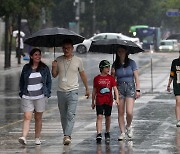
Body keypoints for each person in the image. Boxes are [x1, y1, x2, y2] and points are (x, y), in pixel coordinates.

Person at [51, 38, 90, 145]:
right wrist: (53, 67)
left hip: (73, 90)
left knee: (70, 114)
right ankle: (66, 134)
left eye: (68, 48)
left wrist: (87, 88)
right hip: (61, 91)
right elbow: (54, 75)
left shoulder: (78, 60)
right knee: (63, 115)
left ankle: (67, 135)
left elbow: (82, 74)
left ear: (72, 48)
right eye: (64, 48)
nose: (66, 50)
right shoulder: (58, 60)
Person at [18, 48, 52, 145]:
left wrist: (47, 93)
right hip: (27, 96)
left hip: (40, 96)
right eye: (36, 55)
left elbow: (49, 81)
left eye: (39, 55)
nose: (38, 57)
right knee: (27, 116)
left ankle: (37, 138)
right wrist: (22, 92)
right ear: (31, 56)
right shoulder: (26, 68)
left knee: (38, 117)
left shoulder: (44, 68)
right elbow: (22, 81)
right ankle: (23, 137)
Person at [111, 45, 140, 140]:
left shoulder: (132, 63)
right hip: (119, 88)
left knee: (129, 112)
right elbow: (112, 80)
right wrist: (113, 73)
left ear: (126, 52)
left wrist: (138, 89)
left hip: (130, 87)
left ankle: (128, 125)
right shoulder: (115, 64)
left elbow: (136, 77)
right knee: (120, 111)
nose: (120, 53)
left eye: (122, 51)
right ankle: (122, 132)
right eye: (119, 51)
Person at [92, 60, 119, 143]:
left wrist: (117, 98)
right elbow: (94, 90)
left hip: (108, 100)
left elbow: (115, 89)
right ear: (101, 68)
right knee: (99, 116)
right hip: (99, 100)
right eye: (106, 67)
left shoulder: (111, 78)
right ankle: (99, 133)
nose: (108, 69)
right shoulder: (97, 79)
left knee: (108, 116)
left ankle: (107, 132)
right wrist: (93, 101)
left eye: (109, 67)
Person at [167, 51, 180, 127]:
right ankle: (178, 120)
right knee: (178, 101)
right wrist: (169, 84)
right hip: (177, 85)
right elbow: (172, 74)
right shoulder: (175, 62)